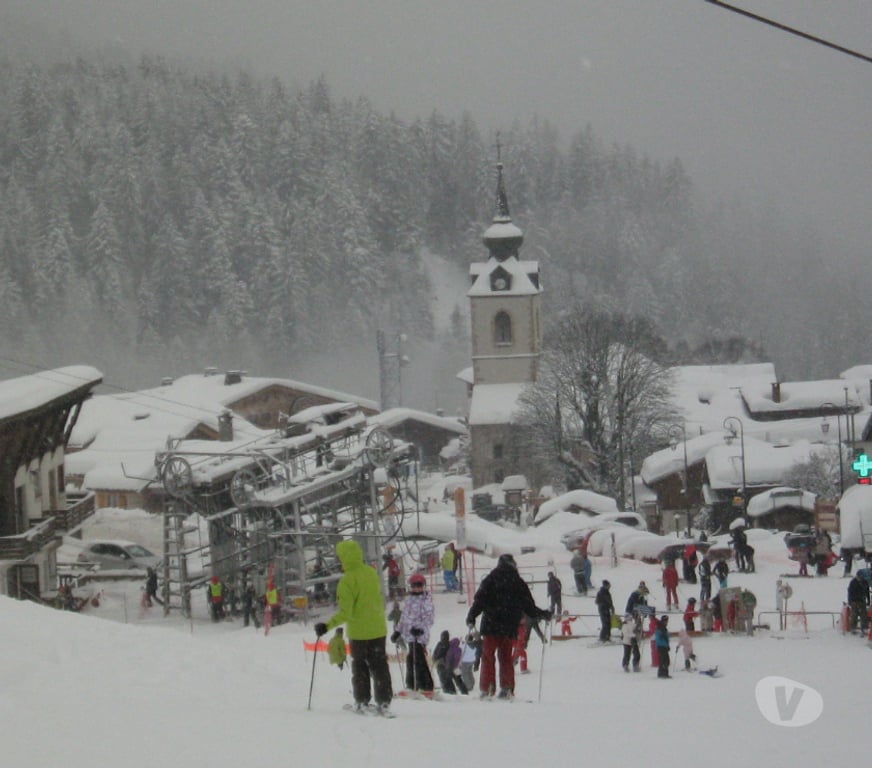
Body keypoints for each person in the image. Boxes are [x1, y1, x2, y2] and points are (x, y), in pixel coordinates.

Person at [315, 539, 393, 715]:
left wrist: (327, 626)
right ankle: (384, 700)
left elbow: (346, 612)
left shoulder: (347, 581)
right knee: (380, 665)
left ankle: (362, 700)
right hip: (378, 629)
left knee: (360, 667)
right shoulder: (371, 573)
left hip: (359, 632)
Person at [465, 553, 551, 700]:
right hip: (509, 627)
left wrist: (471, 617)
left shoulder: (490, 579)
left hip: (491, 625)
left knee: (488, 658)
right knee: (505, 658)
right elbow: (529, 606)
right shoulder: (518, 582)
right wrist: (543, 614)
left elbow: (479, 601)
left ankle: (487, 688)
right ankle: (507, 688)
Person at [391, 572, 435, 692]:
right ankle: (411, 684)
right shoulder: (409, 601)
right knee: (411, 659)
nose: (416, 588)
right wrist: (397, 632)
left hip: (420, 636)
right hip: (409, 635)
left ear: (423, 586)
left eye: (419, 585)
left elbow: (429, 619)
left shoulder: (426, 600)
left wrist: (420, 628)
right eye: (414, 585)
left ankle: (426, 685)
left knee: (418, 659)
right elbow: (404, 618)